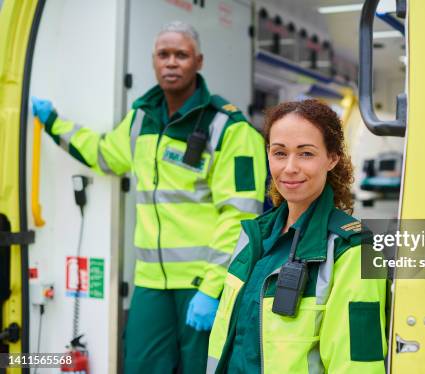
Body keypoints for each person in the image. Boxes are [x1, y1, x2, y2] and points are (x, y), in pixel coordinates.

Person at [31, 21, 266, 373]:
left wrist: (212, 287)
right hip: (151, 283)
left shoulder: (230, 130)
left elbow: (240, 215)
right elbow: (104, 154)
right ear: (153, 61)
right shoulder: (142, 119)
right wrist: (53, 122)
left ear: (198, 62)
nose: (171, 62)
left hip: (200, 284)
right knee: (140, 365)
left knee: (201, 369)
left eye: (181, 55)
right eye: (163, 55)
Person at [207, 99, 387, 373]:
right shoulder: (253, 236)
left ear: (332, 158)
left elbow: (357, 364)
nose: (290, 167)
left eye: (306, 154)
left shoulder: (355, 251)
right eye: (280, 153)